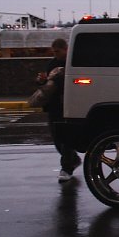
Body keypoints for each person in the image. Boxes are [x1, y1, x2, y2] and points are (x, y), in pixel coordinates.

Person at [37, 38, 81, 182]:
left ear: (65, 49)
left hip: (67, 104)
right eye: (54, 52)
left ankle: (67, 167)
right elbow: (48, 82)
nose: (56, 54)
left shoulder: (72, 62)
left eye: (58, 51)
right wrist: (42, 80)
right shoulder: (52, 63)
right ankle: (72, 159)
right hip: (54, 104)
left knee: (65, 138)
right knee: (57, 138)